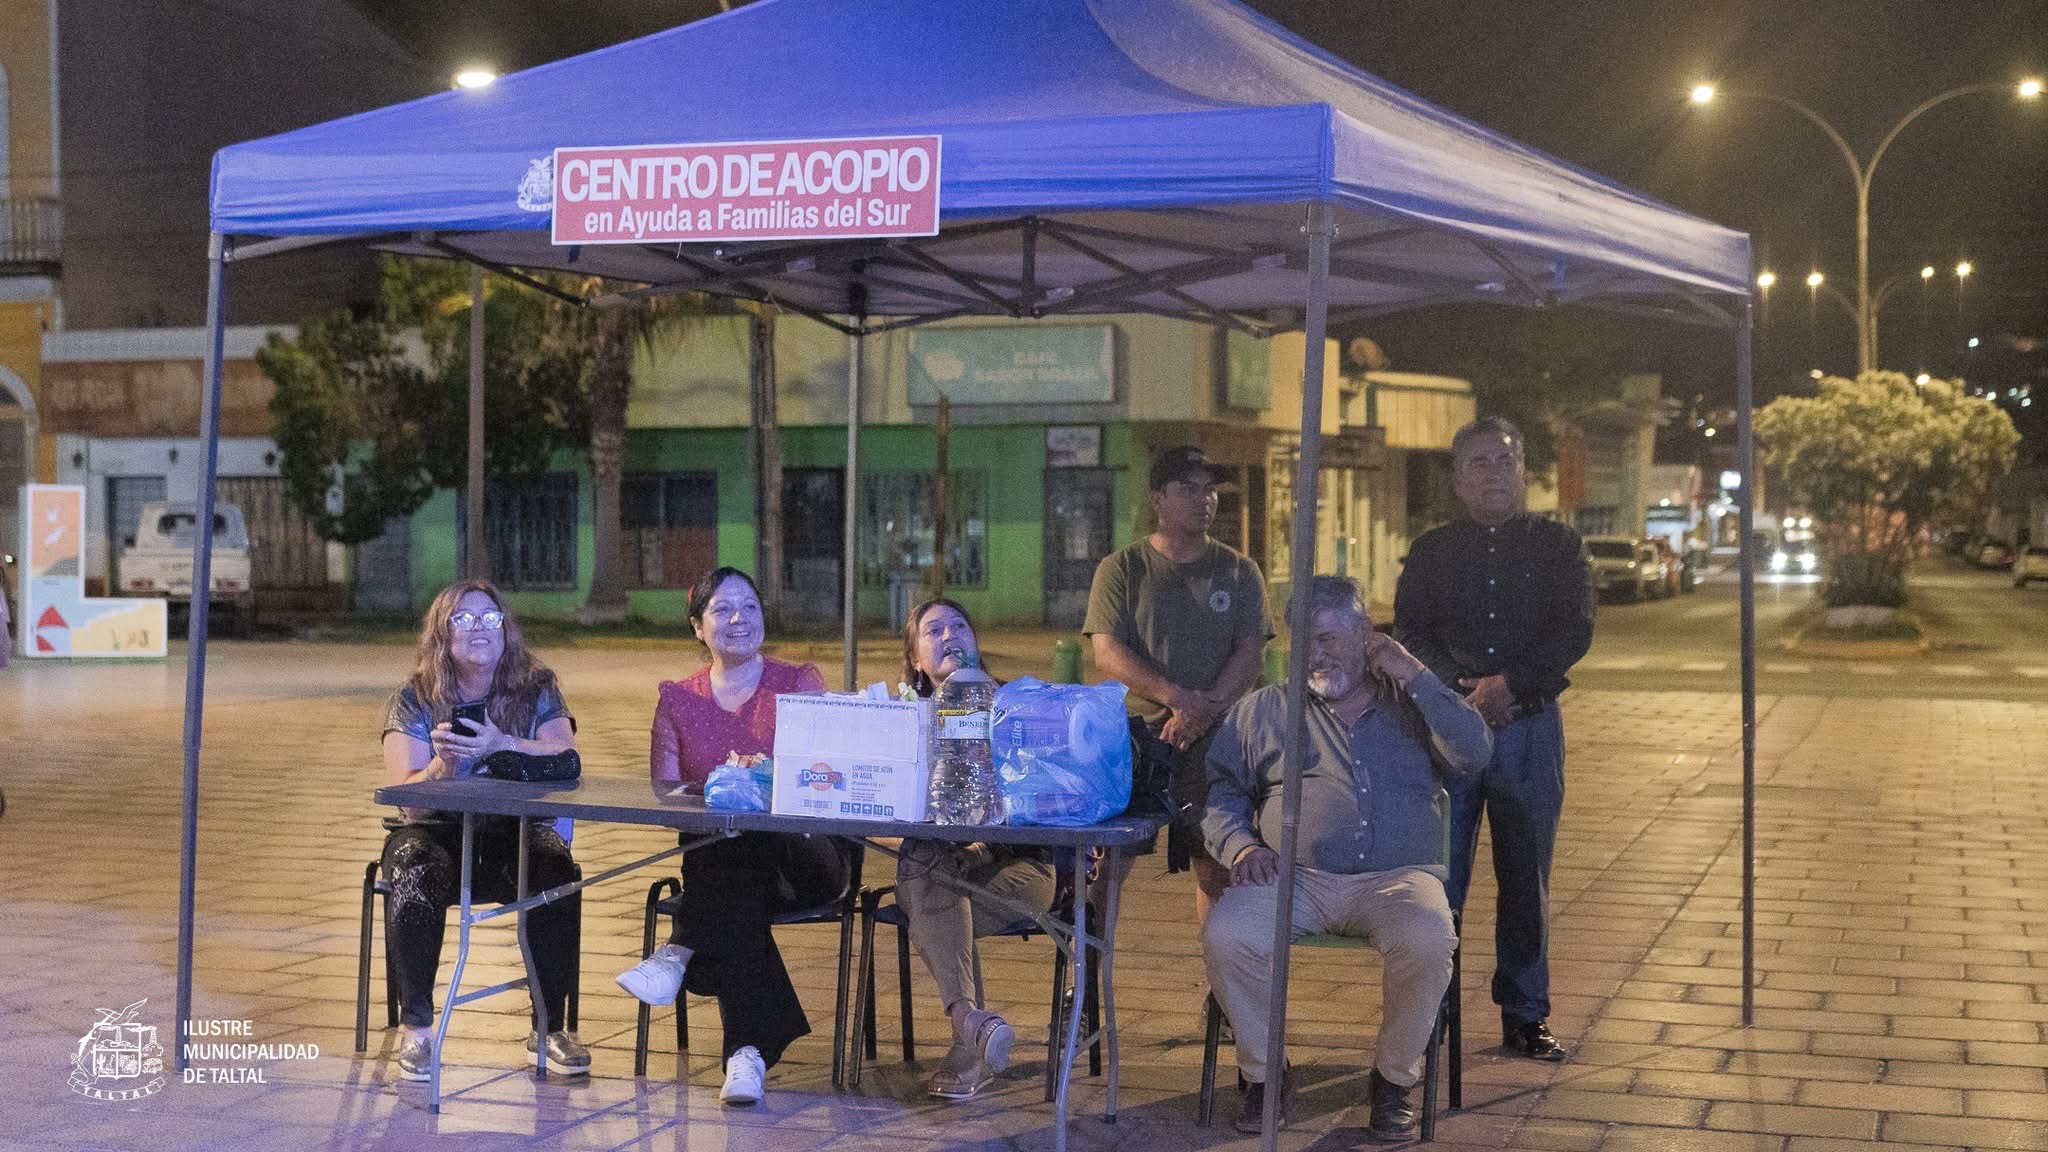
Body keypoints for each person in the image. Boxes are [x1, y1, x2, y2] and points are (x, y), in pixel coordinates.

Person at [1201, 576, 1490, 1138]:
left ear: (1366, 636)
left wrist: (1415, 674)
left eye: (1330, 639)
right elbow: (1221, 790)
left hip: (1398, 878)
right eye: (1304, 640)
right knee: (1227, 934)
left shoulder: (1414, 702)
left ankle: (1393, 1081)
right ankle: (1265, 1075)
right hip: (1294, 879)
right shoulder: (1266, 708)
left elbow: (1476, 751)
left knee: (1430, 939)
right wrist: (1241, 846)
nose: (1315, 654)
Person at [1394, 416, 1594, 1063]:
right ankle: (1434, 1009)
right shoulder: (1430, 552)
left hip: (1529, 729)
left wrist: (1510, 685)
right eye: (1479, 463)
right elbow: (1411, 630)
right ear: (1457, 481)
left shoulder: (1559, 547)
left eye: (1506, 461)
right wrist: (1460, 690)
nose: (1494, 474)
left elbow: (1575, 629)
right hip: (1449, 731)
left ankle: (1524, 1013)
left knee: (1526, 877)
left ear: (1525, 473)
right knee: (1439, 876)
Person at [614, 566, 848, 1106]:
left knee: (736, 845)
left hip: (807, 856)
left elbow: (826, 775)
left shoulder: (798, 683)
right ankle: (746, 1054)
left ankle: (679, 950)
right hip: (728, 866)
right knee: (729, 851)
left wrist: (762, 777)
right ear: (698, 627)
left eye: (750, 607)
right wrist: (726, 787)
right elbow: (667, 798)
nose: (739, 618)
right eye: (722, 609)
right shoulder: (678, 699)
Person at [379, 580, 586, 1081]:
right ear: (442, 634)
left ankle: (548, 1027)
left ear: (505, 630)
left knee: (555, 868)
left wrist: (500, 743)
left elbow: (566, 758)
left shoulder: (536, 687)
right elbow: (408, 802)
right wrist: (441, 766)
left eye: (490, 619)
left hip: (514, 831)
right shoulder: (415, 698)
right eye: (464, 619)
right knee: (412, 867)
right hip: (439, 833)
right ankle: (418, 1031)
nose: (479, 629)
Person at [1083, 445, 1271, 923]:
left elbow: (1251, 651)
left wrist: (1202, 712)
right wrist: (1176, 700)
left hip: (1218, 740)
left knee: (1216, 865)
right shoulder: (1121, 569)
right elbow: (1107, 651)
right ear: (1157, 499)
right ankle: (1085, 981)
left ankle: (1222, 990)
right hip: (1138, 739)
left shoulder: (1239, 571)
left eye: (1210, 490)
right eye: (1188, 489)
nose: (1203, 500)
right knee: (1109, 865)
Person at [891, 597, 1057, 1100]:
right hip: (933, 868)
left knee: (935, 901)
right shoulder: (902, 720)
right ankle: (973, 1029)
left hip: (1019, 867)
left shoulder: (1012, 708)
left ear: (976, 643)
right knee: (934, 877)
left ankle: (968, 1037)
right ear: (916, 659)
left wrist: (982, 846)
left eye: (959, 626)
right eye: (933, 630)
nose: (949, 636)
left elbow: (1041, 801)